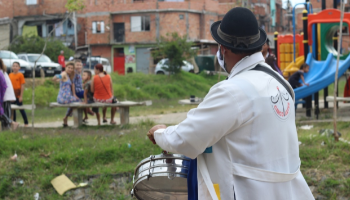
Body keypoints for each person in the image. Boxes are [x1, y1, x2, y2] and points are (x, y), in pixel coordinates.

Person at [147, 7, 313, 200]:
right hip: (290, 192)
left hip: (250, 193)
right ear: (258, 46)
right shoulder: (280, 83)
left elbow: (186, 139)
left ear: (223, 48)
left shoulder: (233, 90)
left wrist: (159, 132)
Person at [53, 62, 81, 127]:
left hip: (67, 97)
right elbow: (59, 76)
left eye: (72, 68)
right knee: (80, 101)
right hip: (64, 97)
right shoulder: (64, 73)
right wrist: (57, 76)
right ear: (65, 67)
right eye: (69, 68)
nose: (70, 69)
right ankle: (71, 119)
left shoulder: (68, 75)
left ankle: (66, 118)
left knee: (75, 102)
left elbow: (60, 80)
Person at [0, 59, 19, 130]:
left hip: (5, 97)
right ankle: (12, 123)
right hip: (3, 97)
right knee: (2, 114)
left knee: (4, 114)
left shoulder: (1, 73)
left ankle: (11, 125)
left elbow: (4, 86)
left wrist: (1, 97)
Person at [9, 62, 28, 127]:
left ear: (19, 68)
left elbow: (22, 85)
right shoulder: (10, 75)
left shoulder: (20, 75)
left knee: (21, 109)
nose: (15, 67)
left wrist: (21, 96)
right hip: (12, 95)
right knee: (12, 110)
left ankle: (26, 123)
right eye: (13, 66)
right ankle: (14, 122)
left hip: (18, 95)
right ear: (12, 67)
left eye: (16, 66)